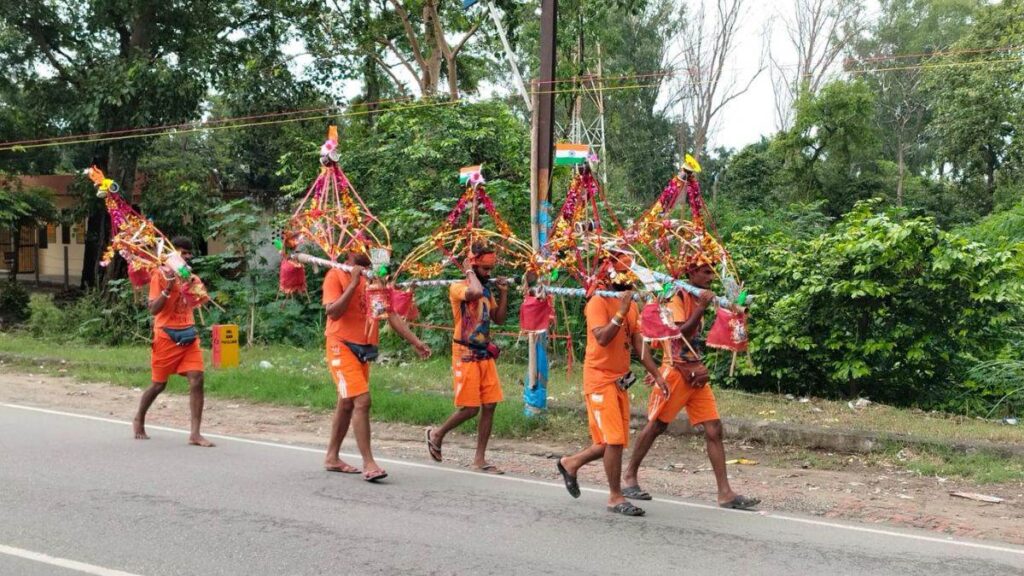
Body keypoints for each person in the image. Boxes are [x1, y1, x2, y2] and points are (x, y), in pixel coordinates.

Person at [620, 260, 760, 509]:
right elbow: (678, 333)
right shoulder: (675, 296)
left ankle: (725, 493)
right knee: (656, 427)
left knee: (714, 428)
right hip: (675, 371)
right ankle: (629, 475)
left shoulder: (699, 297)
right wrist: (701, 308)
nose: (710, 278)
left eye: (711, 273)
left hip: (696, 372)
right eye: (705, 272)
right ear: (691, 273)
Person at [555, 254, 670, 516]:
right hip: (599, 379)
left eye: (631, 274)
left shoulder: (631, 305)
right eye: (624, 273)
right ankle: (615, 497)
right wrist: (620, 311)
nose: (630, 279)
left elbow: (639, 344)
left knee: (610, 442)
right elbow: (603, 339)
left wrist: (659, 374)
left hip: (620, 381)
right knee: (613, 440)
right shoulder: (597, 301)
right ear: (609, 274)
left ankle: (570, 463)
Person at [323, 247, 432, 482]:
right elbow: (332, 312)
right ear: (349, 252)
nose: (369, 252)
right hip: (340, 345)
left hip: (363, 350)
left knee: (346, 403)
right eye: (362, 248)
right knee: (362, 400)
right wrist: (352, 284)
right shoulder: (336, 274)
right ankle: (369, 463)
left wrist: (416, 342)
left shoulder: (375, 279)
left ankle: (332, 457)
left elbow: (389, 314)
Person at [425, 243, 508, 474]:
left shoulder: (487, 290)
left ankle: (480, 459)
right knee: (470, 408)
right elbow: (474, 293)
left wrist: (503, 293)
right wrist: (470, 272)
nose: (488, 273)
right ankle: (437, 434)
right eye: (484, 268)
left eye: (491, 269)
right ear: (472, 266)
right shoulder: (458, 287)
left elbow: (498, 318)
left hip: (484, 352)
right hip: (465, 352)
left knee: (490, 405)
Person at [133, 236, 213, 447]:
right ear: (171, 255)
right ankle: (140, 417)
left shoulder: (191, 277)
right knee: (159, 385)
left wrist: (195, 288)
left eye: (188, 254)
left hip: (188, 334)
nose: (186, 257)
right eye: (182, 253)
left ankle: (195, 434)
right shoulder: (159, 276)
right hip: (166, 336)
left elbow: (201, 302)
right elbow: (153, 309)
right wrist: (168, 288)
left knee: (197, 378)